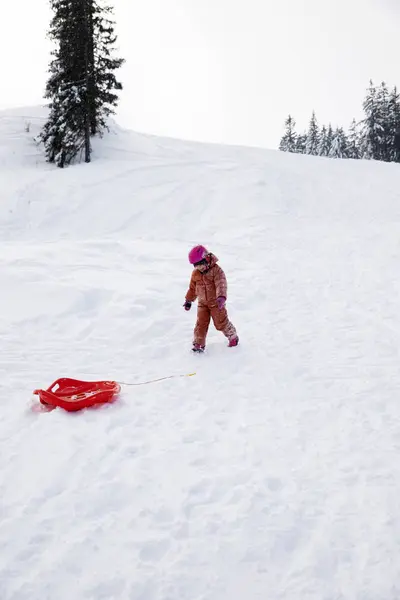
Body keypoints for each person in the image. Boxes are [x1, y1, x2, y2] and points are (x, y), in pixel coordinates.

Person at [183, 245, 239, 352]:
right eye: (196, 266)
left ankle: (232, 335)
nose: (199, 268)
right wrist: (189, 300)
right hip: (202, 303)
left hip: (216, 303)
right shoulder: (196, 273)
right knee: (201, 324)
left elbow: (221, 284)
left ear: (206, 258)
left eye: (200, 265)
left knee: (220, 323)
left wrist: (221, 297)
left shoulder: (216, 271)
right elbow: (192, 288)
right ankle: (198, 343)